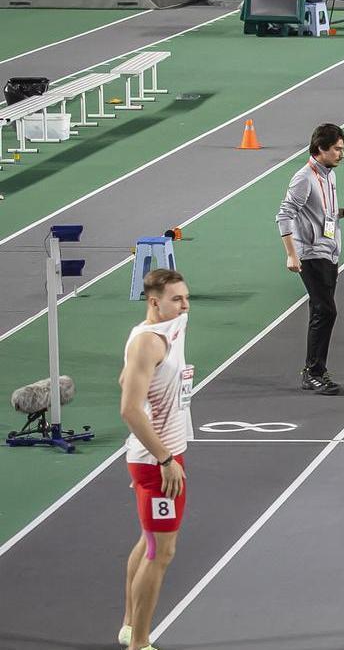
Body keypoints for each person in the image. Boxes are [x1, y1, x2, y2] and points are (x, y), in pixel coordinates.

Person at [117, 269, 194, 650]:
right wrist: (163, 459)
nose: (185, 305)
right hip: (157, 462)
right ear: (153, 302)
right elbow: (129, 408)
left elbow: (125, 381)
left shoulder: (175, 326)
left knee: (149, 541)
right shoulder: (148, 343)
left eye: (186, 297)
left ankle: (131, 626)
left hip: (163, 455)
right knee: (161, 552)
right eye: (177, 299)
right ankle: (140, 644)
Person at [276, 123, 344, 395]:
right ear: (320, 148)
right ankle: (313, 372)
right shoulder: (304, 178)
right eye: (336, 149)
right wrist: (291, 254)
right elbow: (284, 216)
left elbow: (324, 212)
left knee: (319, 310)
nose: (341, 154)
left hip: (329, 250)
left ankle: (315, 370)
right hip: (310, 253)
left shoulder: (329, 175)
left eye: (342, 149)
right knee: (326, 310)